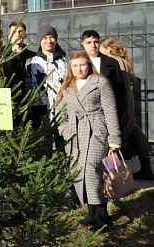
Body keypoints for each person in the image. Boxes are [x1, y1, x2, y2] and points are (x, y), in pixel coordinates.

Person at [55, 50, 121, 232]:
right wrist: (64, 130)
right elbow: (59, 112)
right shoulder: (67, 87)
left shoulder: (100, 83)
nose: (79, 69)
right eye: (75, 66)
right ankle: (91, 212)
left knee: (91, 168)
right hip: (74, 134)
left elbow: (110, 111)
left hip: (97, 131)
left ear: (89, 65)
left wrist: (114, 139)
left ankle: (103, 217)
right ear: (70, 68)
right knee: (78, 172)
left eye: (82, 64)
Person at [100, 37, 154, 180]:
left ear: (108, 48)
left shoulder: (114, 61)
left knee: (117, 137)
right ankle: (145, 168)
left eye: (101, 49)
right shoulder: (123, 60)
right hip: (126, 101)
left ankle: (115, 175)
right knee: (132, 132)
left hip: (121, 102)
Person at [25, 24, 67, 125]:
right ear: (40, 40)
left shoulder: (66, 60)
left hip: (63, 109)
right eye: (45, 38)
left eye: (51, 37)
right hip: (40, 112)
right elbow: (28, 89)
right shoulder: (30, 63)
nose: (49, 41)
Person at [2, 20, 36, 94]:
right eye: (14, 32)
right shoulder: (2, 56)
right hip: (7, 98)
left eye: (20, 31)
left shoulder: (32, 56)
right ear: (9, 36)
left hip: (27, 99)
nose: (17, 34)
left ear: (25, 36)